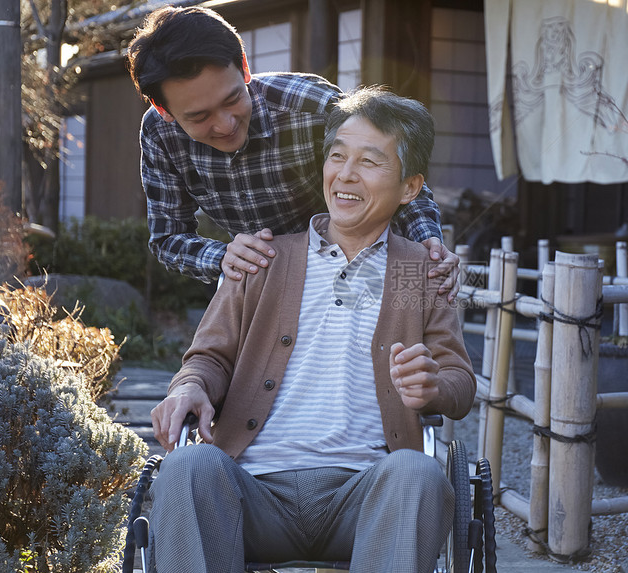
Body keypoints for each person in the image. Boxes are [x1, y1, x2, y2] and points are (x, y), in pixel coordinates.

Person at [146, 86, 476, 573]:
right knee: (188, 466)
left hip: (366, 496)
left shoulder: (413, 272)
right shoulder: (266, 258)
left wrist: (433, 385)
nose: (345, 174)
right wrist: (189, 387)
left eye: (370, 161)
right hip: (252, 492)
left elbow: (459, 381)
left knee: (419, 472)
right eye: (337, 156)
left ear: (409, 188)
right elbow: (207, 358)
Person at [126, 5, 458, 295]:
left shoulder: (311, 106)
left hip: (365, 273)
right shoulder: (159, 133)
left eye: (232, 100)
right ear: (163, 108)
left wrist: (428, 243)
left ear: (243, 65)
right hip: (264, 285)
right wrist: (224, 256)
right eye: (199, 117)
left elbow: (396, 171)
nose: (225, 124)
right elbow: (168, 238)